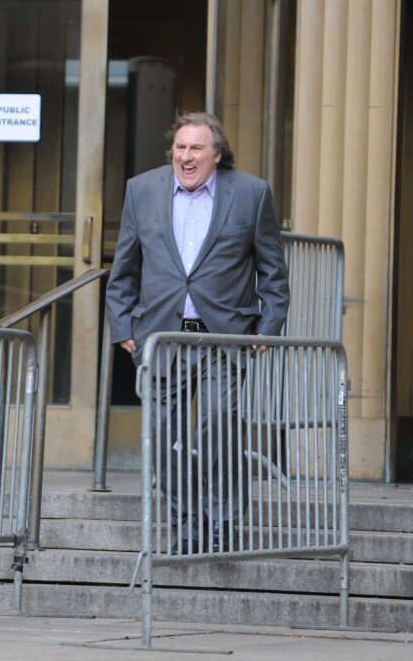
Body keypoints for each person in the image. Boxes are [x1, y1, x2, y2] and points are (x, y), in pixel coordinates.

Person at [106, 111, 290, 553]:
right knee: (164, 434)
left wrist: (266, 330)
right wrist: (122, 323)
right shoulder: (142, 190)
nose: (185, 156)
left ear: (216, 155)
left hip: (222, 339)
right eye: (180, 148)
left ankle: (222, 522)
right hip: (161, 336)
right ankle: (187, 521)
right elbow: (125, 266)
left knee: (217, 425)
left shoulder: (251, 194)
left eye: (195, 149)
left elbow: (273, 274)